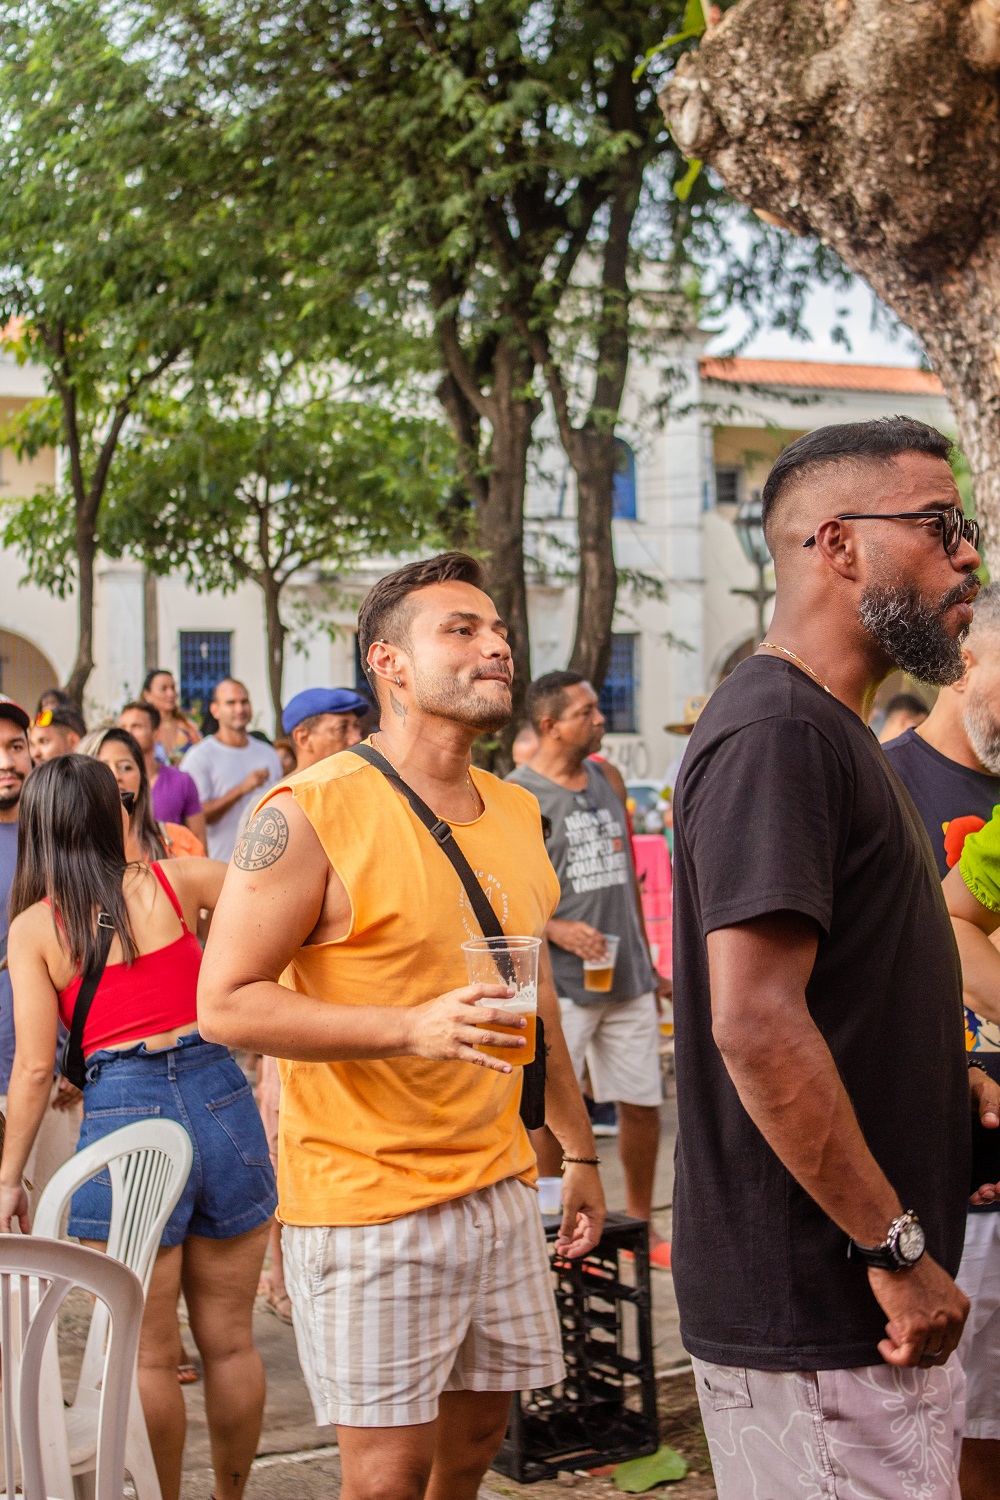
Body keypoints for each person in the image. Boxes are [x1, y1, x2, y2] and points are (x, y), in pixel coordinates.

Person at [198, 551, 606, 1500]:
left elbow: (532, 996)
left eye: (497, 629)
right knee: (385, 1478)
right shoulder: (310, 809)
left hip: (503, 1187)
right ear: (388, 663)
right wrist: (410, 1029)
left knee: (473, 1450)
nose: (495, 645)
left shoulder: (514, 810)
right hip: (370, 1200)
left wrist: (577, 1152)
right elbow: (227, 1003)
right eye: (461, 630)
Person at [671, 416, 999, 1499]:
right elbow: (754, 1023)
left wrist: (934, 1084)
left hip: (863, 1311)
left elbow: (830, 998)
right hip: (827, 1306)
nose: (968, 557)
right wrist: (896, 1253)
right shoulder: (779, 731)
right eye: (941, 526)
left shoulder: (830, 731)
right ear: (838, 545)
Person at [0, 755, 275, 1500]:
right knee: (229, 1343)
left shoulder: (35, 929)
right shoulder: (175, 882)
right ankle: (231, 1496)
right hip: (221, 1095)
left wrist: (7, 1179)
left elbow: (33, 1070)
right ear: (111, 815)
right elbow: (277, 899)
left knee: (149, 1358)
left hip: (124, 1118)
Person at [508, 671, 669, 1263]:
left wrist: (650, 971)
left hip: (625, 976)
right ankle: (557, 1225)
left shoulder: (607, 776)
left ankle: (641, 1226)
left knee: (642, 1101)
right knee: (550, 1109)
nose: (601, 718)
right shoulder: (518, 795)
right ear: (550, 725)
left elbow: (625, 881)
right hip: (563, 985)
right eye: (587, 711)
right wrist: (555, 928)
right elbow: (502, 893)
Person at [0, 698, 81, 1212]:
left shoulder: (53, 839)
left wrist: (79, 1051)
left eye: (14, 746)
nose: (5, 761)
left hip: (47, 1077)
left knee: (48, 1243)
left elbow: (88, 946)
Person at [179, 680, 283, 863]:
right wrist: (242, 789)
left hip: (266, 866)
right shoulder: (199, 756)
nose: (239, 709)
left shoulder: (267, 753)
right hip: (220, 866)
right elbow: (195, 816)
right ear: (215, 710)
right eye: (231, 703)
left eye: (244, 702)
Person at [77, 727, 204, 861]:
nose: (116, 775)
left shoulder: (179, 840)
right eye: (103, 768)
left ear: (142, 778)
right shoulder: (69, 849)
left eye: (126, 767)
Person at [119, 701, 206, 850]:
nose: (128, 733)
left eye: (136, 726)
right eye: (123, 728)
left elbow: (199, 840)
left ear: (156, 733)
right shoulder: (112, 782)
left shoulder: (181, 781)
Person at [281, 687, 369, 767]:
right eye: (342, 728)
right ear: (303, 739)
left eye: (356, 726)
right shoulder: (288, 785)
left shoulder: (367, 781)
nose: (357, 738)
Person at [141, 669, 202, 765]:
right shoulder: (140, 728)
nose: (171, 694)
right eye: (163, 689)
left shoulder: (189, 728)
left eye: (173, 688)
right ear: (147, 694)